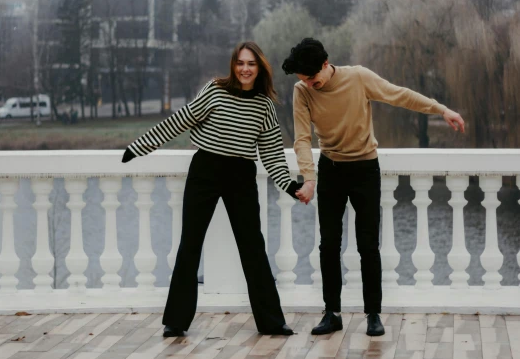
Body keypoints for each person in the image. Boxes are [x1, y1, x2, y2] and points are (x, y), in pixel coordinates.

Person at [282, 38, 465, 337]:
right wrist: (309, 177)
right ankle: (332, 313)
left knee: (368, 245)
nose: (309, 85)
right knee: (329, 244)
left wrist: (440, 109)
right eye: (304, 81)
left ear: (326, 65)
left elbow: (399, 96)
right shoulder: (302, 91)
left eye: (313, 79)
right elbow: (302, 138)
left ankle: (373, 314)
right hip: (330, 169)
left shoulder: (358, 77)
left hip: (365, 169)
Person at [122, 42, 302, 338]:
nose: (245, 68)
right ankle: (176, 321)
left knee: (253, 248)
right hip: (205, 170)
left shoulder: (264, 105)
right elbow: (180, 120)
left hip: (241, 175)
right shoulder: (215, 90)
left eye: (251, 64)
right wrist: (139, 147)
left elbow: (272, 154)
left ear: (260, 68)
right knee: (190, 244)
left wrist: (290, 185)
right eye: (240, 63)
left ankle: (272, 321)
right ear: (233, 65)